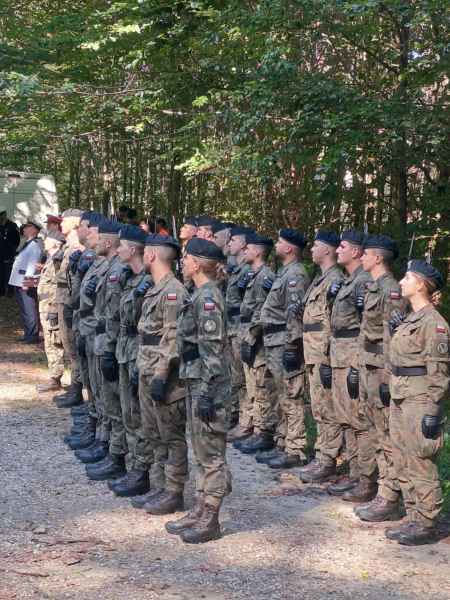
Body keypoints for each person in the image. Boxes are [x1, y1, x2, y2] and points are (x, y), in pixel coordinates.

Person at [166, 237, 231, 544]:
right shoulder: (198, 294)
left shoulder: (208, 298)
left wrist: (207, 391)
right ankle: (200, 507)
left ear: (197, 264)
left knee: (212, 453)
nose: (183, 263)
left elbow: (213, 351)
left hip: (209, 383)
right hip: (196, 378)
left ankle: (211, 517)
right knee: (201, 449)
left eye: (187, 258)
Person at [385, 260, 449, 546]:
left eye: (407, 278)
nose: (401, 282)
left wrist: (434, 410)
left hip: (420, 398)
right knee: (402, 456)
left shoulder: (434, 324)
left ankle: (426, 522)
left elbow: (439, 372)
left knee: (421, 460)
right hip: (401, 394)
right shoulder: (411, 319)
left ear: (421, 285)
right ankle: (413, 515)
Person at [239, 229, 310, 467]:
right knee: (279, 395)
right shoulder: (284, 273)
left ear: (289, 248)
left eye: (280, 242)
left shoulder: (296, 275)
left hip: (283, 342)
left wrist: (292, 345)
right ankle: (282, 440)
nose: (276, 245)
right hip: (273, 341)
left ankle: (295, 449)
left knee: (291, 395)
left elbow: (294, 313)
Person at [133, 233, 189, 514]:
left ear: (152, 255)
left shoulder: (173, 292)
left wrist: (161, 375)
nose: (143, 256)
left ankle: (174, 491)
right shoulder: (155, 289)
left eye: (145, 252)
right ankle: (159, 485)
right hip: (147, 366)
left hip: (164, 374)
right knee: (153, 431)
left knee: (171, 435)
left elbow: (173, 338)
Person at [353, 235, 407, 522]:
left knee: (386, 434)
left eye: (366, 254)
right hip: (367, 366)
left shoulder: (391, 290)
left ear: (377, 258)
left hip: (380, 371)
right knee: (373, 429)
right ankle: (377, 487)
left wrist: (387, 378)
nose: (361, 258)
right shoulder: (373, 287)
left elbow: (392, 338)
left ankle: (390, 496)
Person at [327, 230, 374, 500]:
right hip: (339, 354)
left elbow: (366, 327)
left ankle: (364, 478)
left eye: (342, 246)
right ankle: (354, 471)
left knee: (358, 419)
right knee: (345, 417)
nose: (338, 250)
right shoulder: (348, 281)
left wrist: (357, 363)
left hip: (352, 355)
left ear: (355, 252)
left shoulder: (363, 281)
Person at [298, 231, 344, 483]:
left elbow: (333, 322)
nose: (312, 250)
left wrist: (327, 356)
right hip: (312, 350)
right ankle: (322, 454)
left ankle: (328, 459)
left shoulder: (335, 280)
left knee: (326, 407)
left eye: (316, 246)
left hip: (322, 352)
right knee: (318, 406)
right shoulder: (320, 279)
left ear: (327, 250)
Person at [234, 232, 275, 447]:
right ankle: (255, 425)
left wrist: (251, 337)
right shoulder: (252, 274)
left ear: (258, 252)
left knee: (261, 385)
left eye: (248, 248)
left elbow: (262, 310)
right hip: (246, 332)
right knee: (251, 384)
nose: (245, 251)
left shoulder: (265, 275)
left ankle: (263, 430)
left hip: (257, 339)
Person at [224, 226, 254, 428]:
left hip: (241, 329)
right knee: (236, 377)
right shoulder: (236, 271)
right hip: (232, 328)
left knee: (243, 378)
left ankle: (247, 421)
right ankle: (239, 417)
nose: (229, 244)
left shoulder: (247, 271)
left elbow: (249, 304)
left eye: (233, 240)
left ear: (243, 244)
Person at [55, 209, 84, 400]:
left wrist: (72, 305)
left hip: (70, 301)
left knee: (73, 347)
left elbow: (76, 281)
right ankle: (75, 386)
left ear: (74, 223)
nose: (61, 224)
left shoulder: (76, 247)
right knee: (68, 345)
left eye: (64, 221)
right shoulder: (68, 246)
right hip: (64, 299)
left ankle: (77, 389)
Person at [36, 230, 66, 392]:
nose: (44, 242)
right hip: (45, 306)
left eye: (47, 239)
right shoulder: (51, 259)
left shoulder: (57, 260)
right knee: (49, 342)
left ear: (55, 243)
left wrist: (54, 307)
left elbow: (59, 286)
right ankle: (54, 376)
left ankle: (55, 377)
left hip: (51, 307)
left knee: (54, 342)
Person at [9, 221, 42, 343]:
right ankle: (28, 333)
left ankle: (32, 335)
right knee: (24, 309)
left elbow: (32, 265)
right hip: (19, 281)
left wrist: (27, 283)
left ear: (34, 230)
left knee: (29, 310)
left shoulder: (34, 245)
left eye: (27, 227)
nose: (24, 229)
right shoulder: (27, 243)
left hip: (25, 283)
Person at [0, 207, 20, 296]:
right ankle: (1, 291)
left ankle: (10, 291)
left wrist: (12, 250)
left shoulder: (12, 225)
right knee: (1, 274)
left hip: (8, 254)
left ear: (5, 214)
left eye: (1, 215)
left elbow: (17, 240)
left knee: (9, 274)